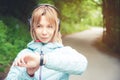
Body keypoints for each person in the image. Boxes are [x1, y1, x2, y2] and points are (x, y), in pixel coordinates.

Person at [5, 4, 88, 80]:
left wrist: (43, 60)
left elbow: (82, 65)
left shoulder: (64, 52)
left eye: (49, 26)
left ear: (56, 28)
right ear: (32, 27)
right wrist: (28, 74)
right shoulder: (23, 55)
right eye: (39, 26)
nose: (44, 32)